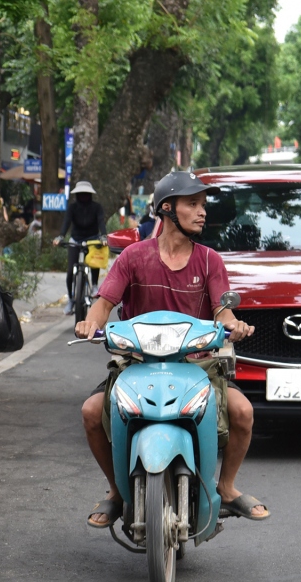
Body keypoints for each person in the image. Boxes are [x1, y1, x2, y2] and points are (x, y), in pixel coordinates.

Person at [74, 170, 269, 527]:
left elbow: (222, 311)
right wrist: (91, 322)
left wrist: (233, 325)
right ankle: (117, 491)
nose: (202, 212)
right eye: (192, 204)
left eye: (203, 205)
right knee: (90, 412)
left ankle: (226, 487)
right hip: (137, 365)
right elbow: (104, 302)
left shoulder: (210, 260)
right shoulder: (133, 257)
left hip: (197, 365)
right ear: (167, 208)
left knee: (242, 413)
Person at [54, 181, 107, 312]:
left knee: (95, 262)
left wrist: (104, 236)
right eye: (81, 194)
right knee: (70, 272)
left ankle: (94, 285)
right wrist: (60, 236)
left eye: (86, 194)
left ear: (90, 195)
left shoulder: (97, 207)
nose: (83, 196)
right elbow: (66, 222)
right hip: (75, 239)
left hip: (92, 239)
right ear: (77, 195)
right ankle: (72, 299)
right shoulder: (72, 208)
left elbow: (101, 222)